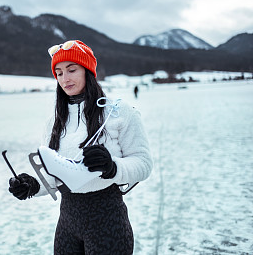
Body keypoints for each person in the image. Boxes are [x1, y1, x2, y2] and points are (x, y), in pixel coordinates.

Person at [8, 40, 153, 254]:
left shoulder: (118, 112)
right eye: (58, 73)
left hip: (107, 221)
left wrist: (112, 168)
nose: (64, 79)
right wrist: (32, 185)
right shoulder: (54, 122)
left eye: (71, 69)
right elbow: (54, 175)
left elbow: (143, 163)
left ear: (88, 70)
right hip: (68, 223)